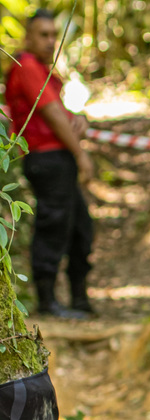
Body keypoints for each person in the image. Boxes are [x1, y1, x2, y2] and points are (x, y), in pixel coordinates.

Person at [5, 8, 96, 319]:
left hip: (59, 158)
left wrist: (79, 120)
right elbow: (53, 116)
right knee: (53, 226)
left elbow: (61, 114)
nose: (49, 41)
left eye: (53, 35)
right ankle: (47, 302)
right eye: (43, 35)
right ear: (28, 37)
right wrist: (81, 155)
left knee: (80, 227)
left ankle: (79, 299)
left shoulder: (43, 70)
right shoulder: (27, 66)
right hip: (47, 158)